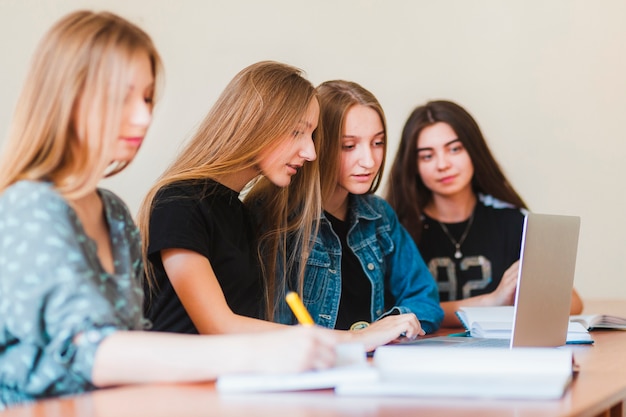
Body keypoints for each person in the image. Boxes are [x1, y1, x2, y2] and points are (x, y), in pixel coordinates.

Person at [0, 11, 337, 408]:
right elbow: (88, 352)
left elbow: (132, 341)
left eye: (146, 98)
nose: (144, 116)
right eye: (122, 97)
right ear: (67, 99)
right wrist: (260, 354)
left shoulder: (114, 214)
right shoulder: (27, 208)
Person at [139, 63, 420, 351]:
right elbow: (218, 326)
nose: (310, 152)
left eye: (311, 136)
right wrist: (356, 338)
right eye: (297, 132)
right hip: (175, 388)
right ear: (255, 125)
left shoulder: (239, 211)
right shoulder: (178, 203)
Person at [251, 80, 444, 334]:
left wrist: (397, 322)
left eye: (378, 143)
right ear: (316, 144)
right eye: (349, 146)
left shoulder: (379, 216)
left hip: (373, 364)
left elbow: (426, 300)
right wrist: (361, 338)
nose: (369, 161)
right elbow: (274, 326)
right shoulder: (275, 217)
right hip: (312, 368)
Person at [385, 99, 583, 327]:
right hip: (421, 353)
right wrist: (492, 301)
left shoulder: (511, 220)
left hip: (497, 354)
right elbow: (394, 313)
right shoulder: (397, 228)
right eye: (427, 156)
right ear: (413, 165)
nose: (443, 164)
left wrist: (519, 298)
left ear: (473, 150)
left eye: (454, 149)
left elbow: (572, 302)